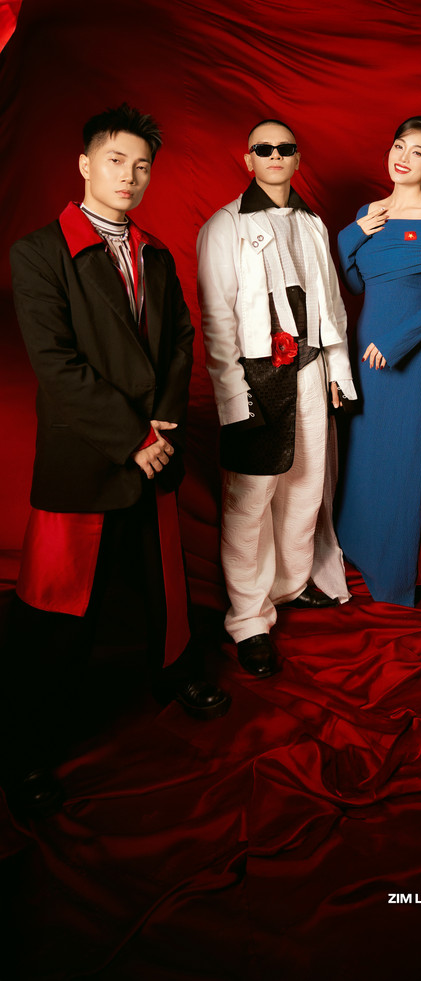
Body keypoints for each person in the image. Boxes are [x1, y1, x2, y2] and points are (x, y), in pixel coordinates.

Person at [3, 103, 230, 820]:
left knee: (163, 586)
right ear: (84, 164)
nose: (129, 176)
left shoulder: (155, 252)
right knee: (57, 604)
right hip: (89, 454)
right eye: (114, 161)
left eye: (141, 166)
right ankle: (27, 745)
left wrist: (162, 420)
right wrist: (134, 435)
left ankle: (174, 675)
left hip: (155, 447)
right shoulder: (39, 253)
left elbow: (181, 341)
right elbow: (56, 365)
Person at [197, 117, 355, 678]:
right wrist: (233, 396)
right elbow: (217, 320)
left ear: (296, 159)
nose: (274, 156)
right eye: (263, 149)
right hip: (256, 375)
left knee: (306, 484)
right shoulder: (225, 225)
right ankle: (248, 618)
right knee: (250, 497)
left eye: (284, 148)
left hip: (310, 368)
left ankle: (288, 586)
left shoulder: (311, 222)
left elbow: (330, 302)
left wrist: (337, 368)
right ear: (248, 159)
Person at [336, 116, 421, 621]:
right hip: (364, 351)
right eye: (399, 146)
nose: (403, 158)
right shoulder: (369, 213)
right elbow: (354, 283)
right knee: (368, 455)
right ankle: (365, 548)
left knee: (412, 459)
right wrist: (352, 232)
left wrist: (396, 342)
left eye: (417, 152)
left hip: (410, 353)